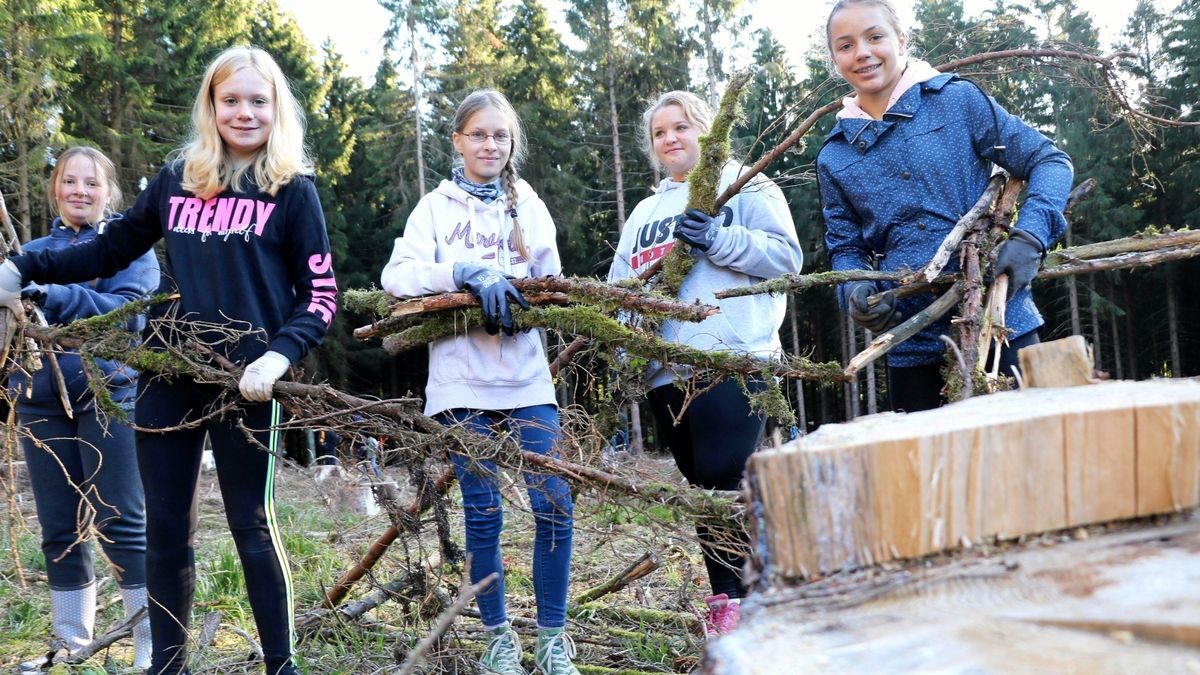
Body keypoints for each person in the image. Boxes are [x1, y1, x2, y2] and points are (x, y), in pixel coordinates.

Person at [0, 46, 338, 675]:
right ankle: (167, 667)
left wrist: (279, 357)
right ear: (211, 106)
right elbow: (107, 249)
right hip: (168, 373)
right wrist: (23, 267)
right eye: (230, 100)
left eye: (257, 101)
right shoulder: (180, 176)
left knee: (251, 523)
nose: (244, 112)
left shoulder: (292, 189)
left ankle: (282, 666)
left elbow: (320, 294)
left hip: (249, 384)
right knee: (164, 530)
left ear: (276, 108)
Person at [380, 89, 577, 675]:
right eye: (478, 134)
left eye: (500, 135)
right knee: (484, 511)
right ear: (458, 142)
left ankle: (552, 639)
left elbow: (553, 280)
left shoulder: (527, 204)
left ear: (511, 143)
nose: (490, 144)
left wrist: (531, 295)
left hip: (526, 378)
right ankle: (498, 639)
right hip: (461, 383)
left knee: (554, 504)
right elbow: (398, 276)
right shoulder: (434, 208)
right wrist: (465, 272)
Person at [606, 90, 803, 635]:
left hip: (730, 357)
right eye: (659, 133)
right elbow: (621, 287)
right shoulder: (645, 212)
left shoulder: (746, 183)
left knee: (721, 478)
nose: (670, 139)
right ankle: (732, 601)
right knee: (704, 488)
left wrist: (719, 237)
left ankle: (747, 604)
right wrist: (627, 350)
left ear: (706, 132)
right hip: (665, 370)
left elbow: (787, 258)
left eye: (681, 127)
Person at [819, 0, 1074, 413]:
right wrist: (854, 289)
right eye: (845, 45)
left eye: (875, 37)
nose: (862, 52)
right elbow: (845, 248)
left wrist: (1031, 236)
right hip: (909, 340)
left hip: (999, 320)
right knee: (933, 475)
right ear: (835, 59)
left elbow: (1049, 160)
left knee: (1035, 461)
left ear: (901, 40)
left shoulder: (957, 102)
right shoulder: (835, 155)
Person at [11, 146, 159, 671]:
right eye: (70, 181)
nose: (80, 191)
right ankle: (71, 643)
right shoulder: (28, 252)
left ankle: (150, 643)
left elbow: (126, 316)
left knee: (123, 519)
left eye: (91, 183)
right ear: (56, 189)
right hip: (40, 402)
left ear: (109, 192)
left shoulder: (130, 250)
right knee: (59, 526)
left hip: (109, 397)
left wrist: (51, 295)